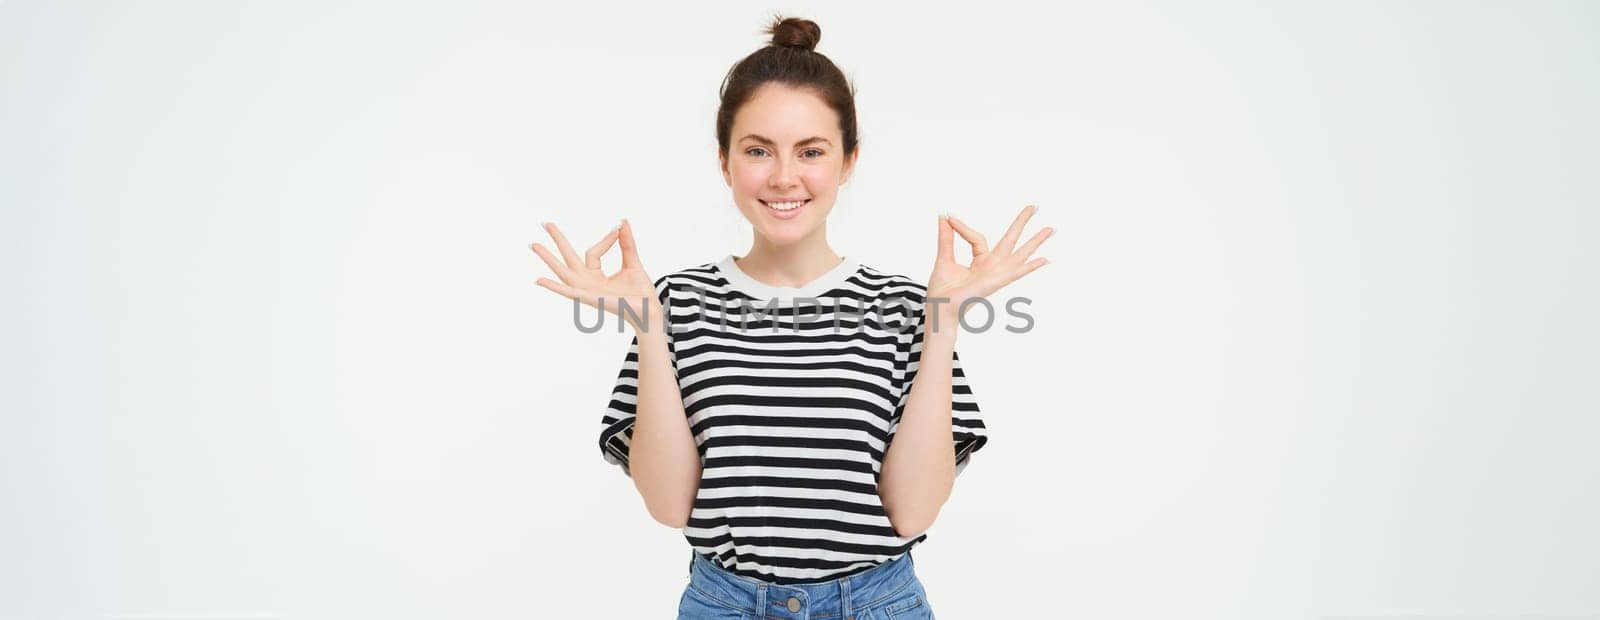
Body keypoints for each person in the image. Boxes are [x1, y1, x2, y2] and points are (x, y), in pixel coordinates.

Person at [531, 15, 1052, 619]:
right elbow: (671, 506)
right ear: (725, 162)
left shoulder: (908, 307)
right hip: (722, 604)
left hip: (875, 603)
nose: (784, 177)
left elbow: (912, 512)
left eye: (811, 151)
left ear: (848, 161)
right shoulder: (673, 301)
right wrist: (648, 325)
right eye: (758, 150)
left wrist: (943, 321)